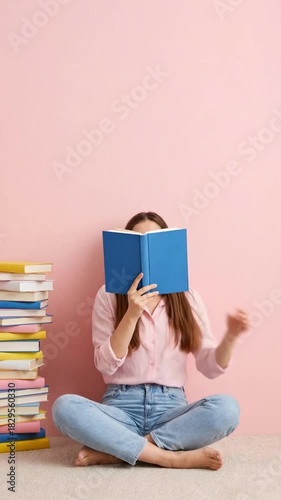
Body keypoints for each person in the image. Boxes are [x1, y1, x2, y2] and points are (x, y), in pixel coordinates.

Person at [52, 211, 249, 470]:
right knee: (64, 407)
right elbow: (104, 364)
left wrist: (231, 337)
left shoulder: (188, 297)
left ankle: (118, 451)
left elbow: (209, 366)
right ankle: (168, 458)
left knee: (227, 409)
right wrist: (132, 314)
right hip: (120, 408)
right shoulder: (108, 295)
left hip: (171, 411)